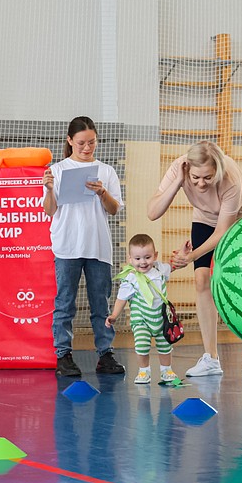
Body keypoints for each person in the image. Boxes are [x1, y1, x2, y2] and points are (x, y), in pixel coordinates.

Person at [147, 140, 242, 379]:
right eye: (195, 178)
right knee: (201, 280)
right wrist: (178, 182)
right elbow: (152, 212)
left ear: (217, 171)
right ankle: (211, 358)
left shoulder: (230, 178)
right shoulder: (179, 169)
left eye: (207, 178)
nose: (201, 184)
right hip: (205, 218)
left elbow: (222, 232)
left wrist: (189, 256)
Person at [43, 116, 126, 377]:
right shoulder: (57, 170)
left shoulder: (106, 171)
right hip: (67, 244)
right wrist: (48, 190)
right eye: (81, 143)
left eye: (91, 142)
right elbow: (49, 210)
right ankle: (63, 355)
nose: (87, 148)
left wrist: (103, 192)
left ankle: (105, 353)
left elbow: (114, 210)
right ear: (70, 141)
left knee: (100, 302)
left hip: (98, 246)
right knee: (65, 301)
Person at [106, 234, 179, 385]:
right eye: (138, 259)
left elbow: (174, 266)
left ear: (155, 255)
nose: (143, 262)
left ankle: (167, 370)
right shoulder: (131, 277)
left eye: (147, 257)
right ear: (130, 259)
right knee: (141, 345)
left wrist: (183, 254)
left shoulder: (159, 269)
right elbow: (122, 298)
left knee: (165, 345)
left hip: (161, 319)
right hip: (142, 320)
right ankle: (144, 371)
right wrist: (114, 315)